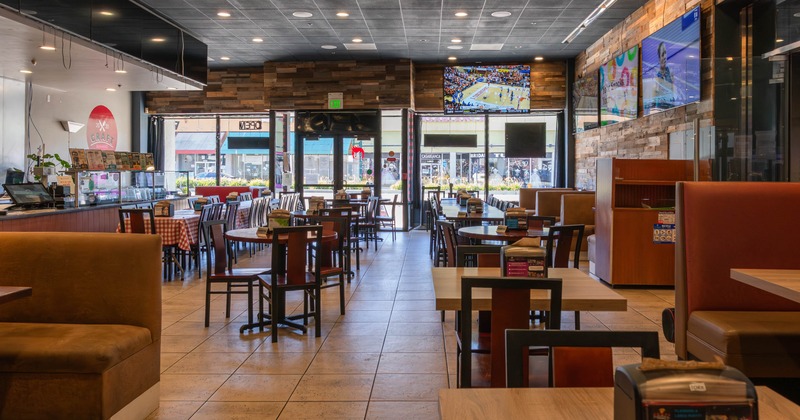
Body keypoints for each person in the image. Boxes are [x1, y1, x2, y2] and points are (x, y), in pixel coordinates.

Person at [652, 42, 675, 110]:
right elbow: (655, 98)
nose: (664, 56)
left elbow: (673, 92)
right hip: (660, 108)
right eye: (662, 54)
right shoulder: (657, 77)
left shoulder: (670, 72)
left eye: (665, 53)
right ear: (659, 59)